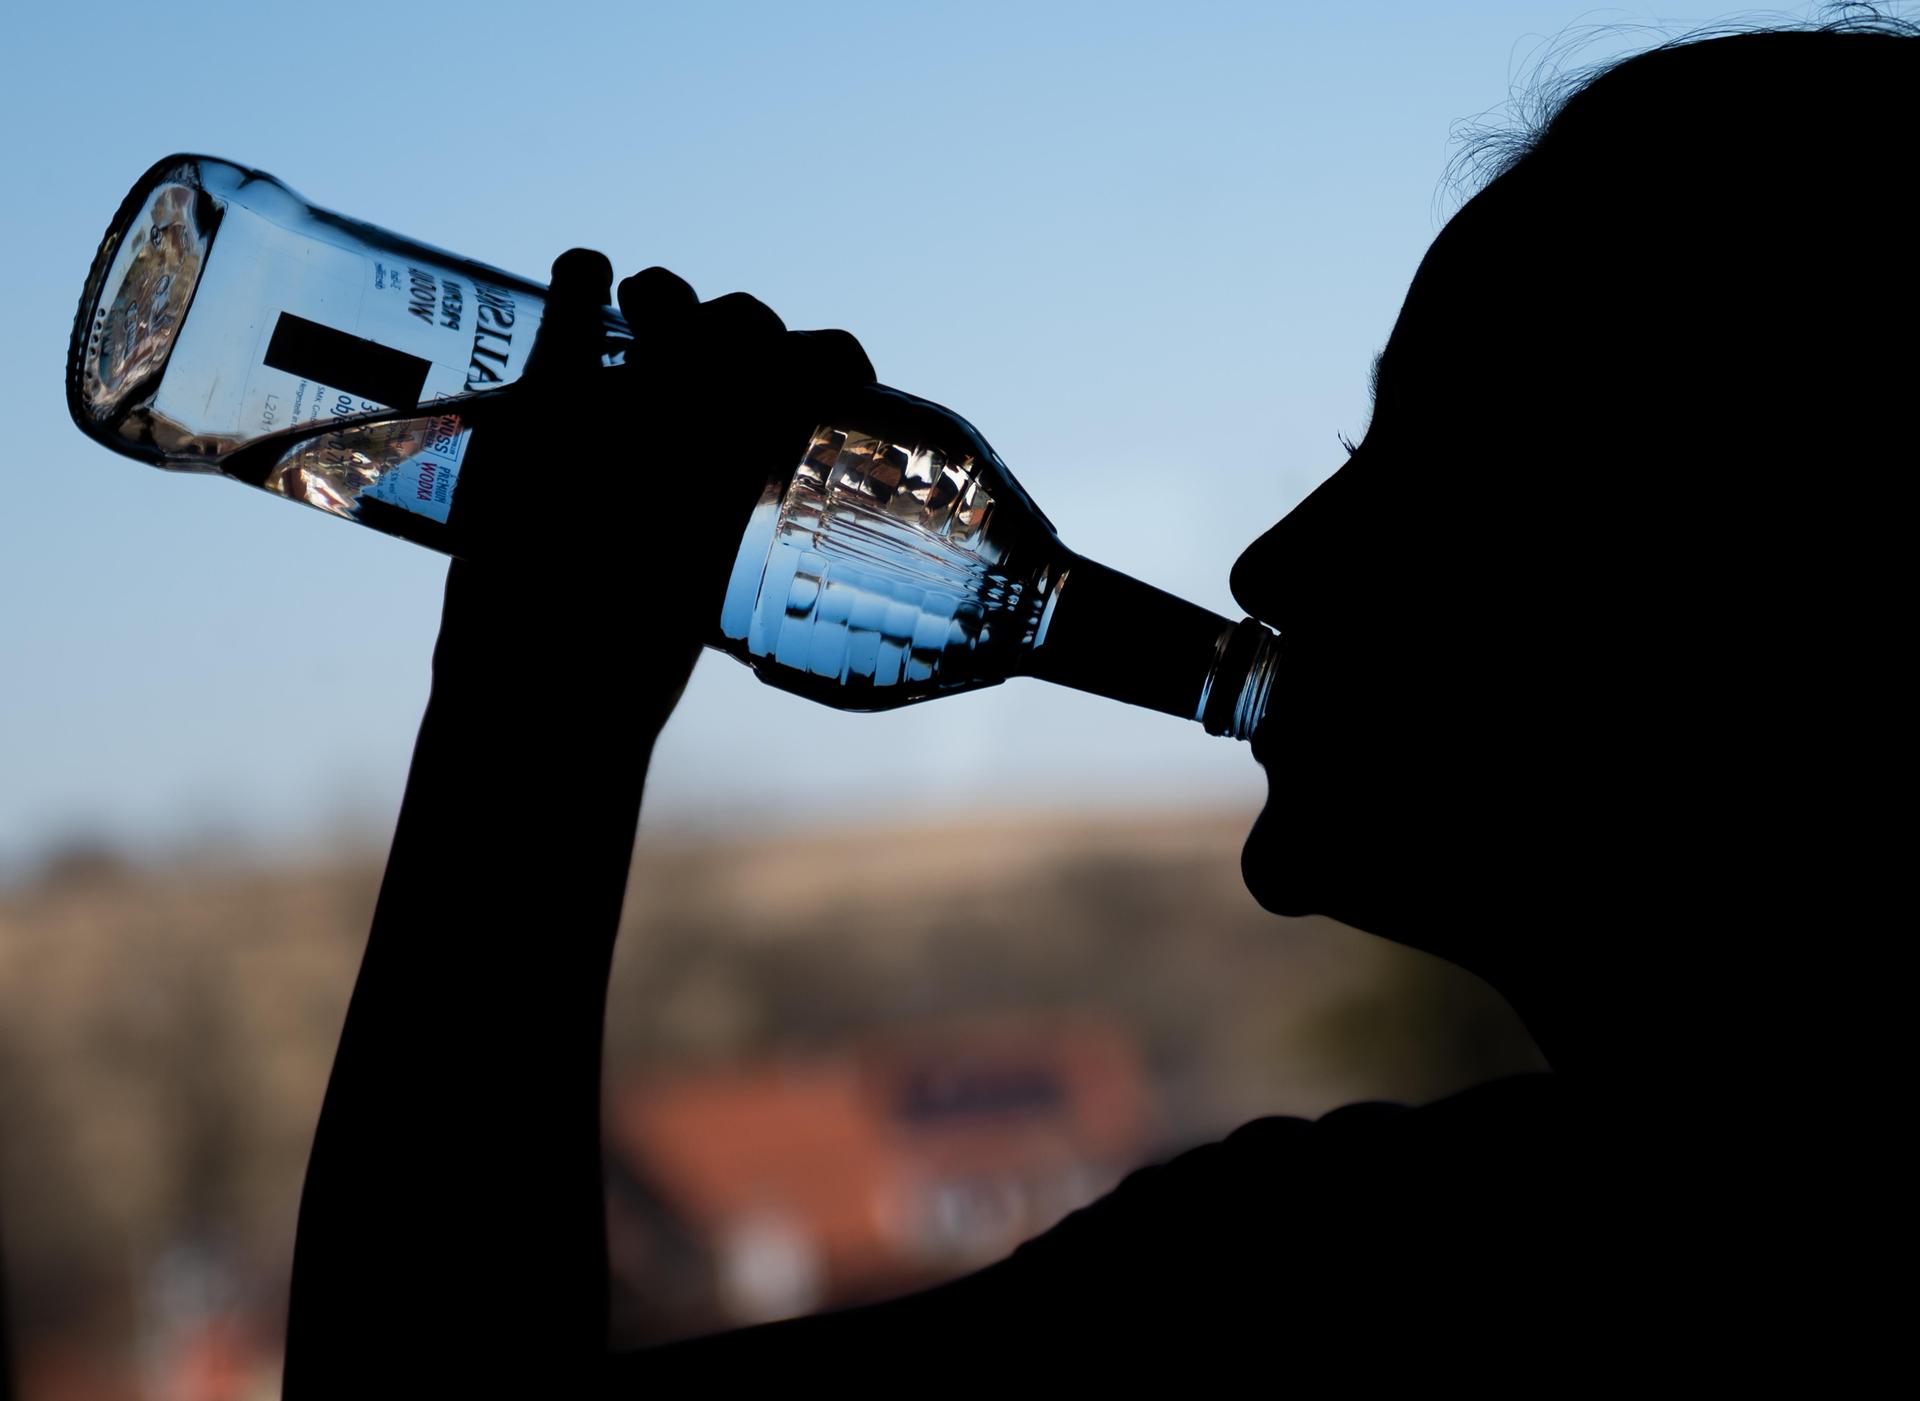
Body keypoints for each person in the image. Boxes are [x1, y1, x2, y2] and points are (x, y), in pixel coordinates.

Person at [281, 16, 1913, 1391]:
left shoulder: (1341, 1294)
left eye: (1422, 468)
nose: (1274, 555)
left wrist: (528, 726)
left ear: (1739, 557)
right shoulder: (1320, 1258)